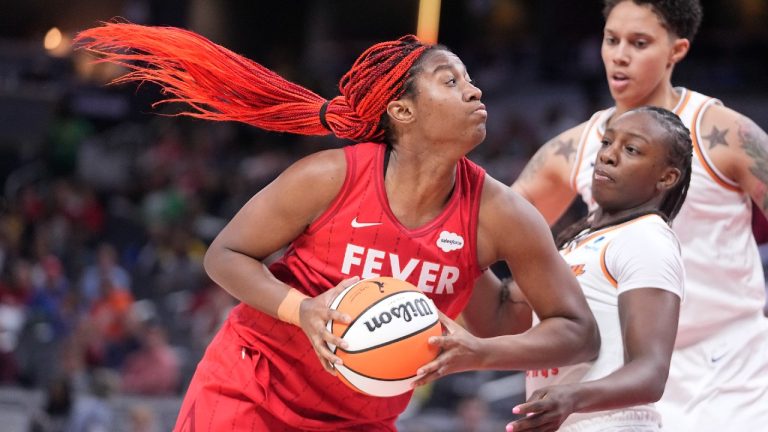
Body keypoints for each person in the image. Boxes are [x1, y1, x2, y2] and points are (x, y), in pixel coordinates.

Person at [75, 24, 600, 431]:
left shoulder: (501, 215)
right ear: (402, 110)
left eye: (469, 79)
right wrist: (301, 309)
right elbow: (225, 255)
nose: (475, 90)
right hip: (252, 389)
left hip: (361, 417)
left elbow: (568, 333)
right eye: (451, 81)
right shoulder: (329, 176)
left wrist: (481, 350)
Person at [505, 1, 768, 429]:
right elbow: (494, 231)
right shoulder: (574, 147)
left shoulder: (725, 133)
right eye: (612, 40)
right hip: (624, 373)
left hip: (733, 372)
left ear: (676, 50)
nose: (619, 54)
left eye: (639, 43)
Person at [507, 106, 690, 431]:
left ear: (667, 177)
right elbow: (504, 316)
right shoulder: (575, 243)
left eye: (631, 149)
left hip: (613, 423)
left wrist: (572, 398)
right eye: (607, 143)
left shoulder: (646, 237)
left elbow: (651, 372)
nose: (607, 156)